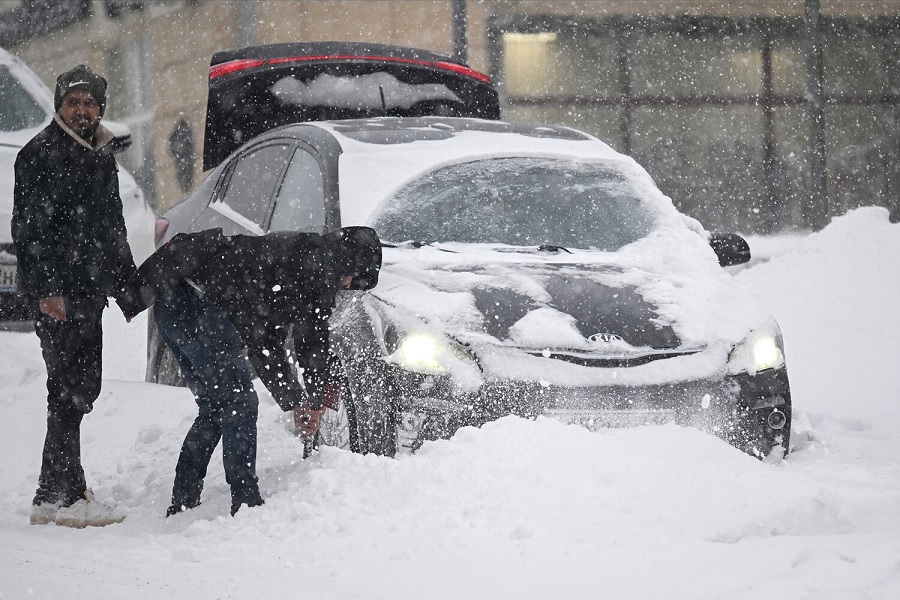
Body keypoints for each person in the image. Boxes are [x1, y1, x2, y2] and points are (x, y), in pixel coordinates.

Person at [117, 226, 381, 517]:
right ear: (351, 263)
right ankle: (245, 503)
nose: (347, 285)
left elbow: (265, 344)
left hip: (174, 304)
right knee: (239, 404)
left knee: (215, 408)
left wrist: (296, 401)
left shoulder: (300, 258)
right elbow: (311, 345)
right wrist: (314, 402)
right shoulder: (318, 270)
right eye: (354, 279)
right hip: (198, 307)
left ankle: (183, 501)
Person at [11, 65, 137, 527]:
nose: (82, 110)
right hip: (60, 294)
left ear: (100, 108)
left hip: (87, 289)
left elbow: (111, 224)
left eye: (89, 103)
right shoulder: (39, 153)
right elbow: (28, 231)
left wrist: (127, 287)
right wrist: (47, 291)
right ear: (60, 106)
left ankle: (49, 494)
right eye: (74, 102)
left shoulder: (100, 152)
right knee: (72, 390)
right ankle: (71, 496)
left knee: (73, 389)